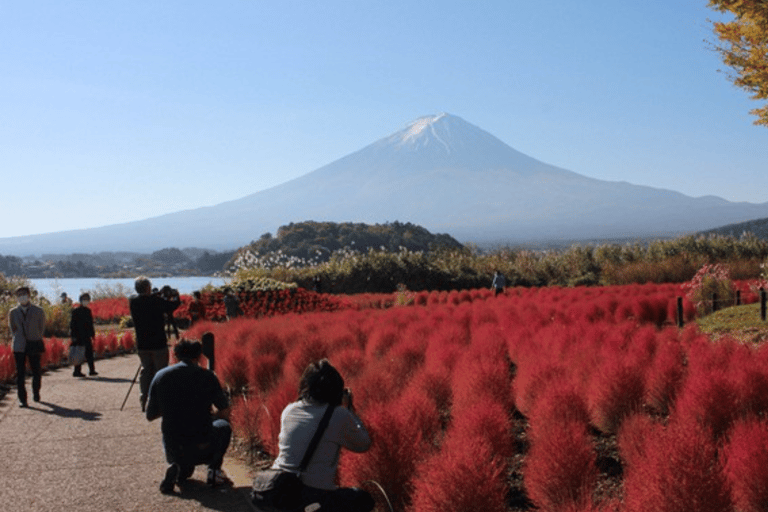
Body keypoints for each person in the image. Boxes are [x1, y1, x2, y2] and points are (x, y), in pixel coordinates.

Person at [269, 359, 374, 512]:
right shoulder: (339, 415)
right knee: (363, 499)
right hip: (311, 496)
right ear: (337, 389)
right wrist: (349, 409)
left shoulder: (289, 410)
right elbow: (364, 444)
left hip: (278, 490)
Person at [146, 339, 232, 494]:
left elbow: (150, 415)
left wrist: (171, 409)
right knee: (223, 426)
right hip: (202, 440)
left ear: (175, 355)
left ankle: (175, 465)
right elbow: (224, 410)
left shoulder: (161, 376)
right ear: (199, 356)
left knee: (184, 474)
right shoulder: (207, 376)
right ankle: (214, 471)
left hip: (175, 442)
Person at [129, 276, 180, 412]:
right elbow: (173, 305)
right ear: (148, 288)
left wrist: (157, 294)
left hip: (142, 344)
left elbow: (145, 299)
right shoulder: (157, 301)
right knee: (161, 372)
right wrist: (176, 295)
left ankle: (143, 399)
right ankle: (160, 401)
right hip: (158, 343)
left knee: (146, 371)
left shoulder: (133, 302)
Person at [8, 286, 46, 407]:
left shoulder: (38, 310)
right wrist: (19, 338)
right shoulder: (13, 312)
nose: (22, 297)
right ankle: (22, 399)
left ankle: (36, 392)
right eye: (19, 295)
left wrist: (35, 336)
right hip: (19, 346)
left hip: (34, 343)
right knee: (20, 373)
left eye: (24, 294)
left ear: (29, 295)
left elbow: (42, 327)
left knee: (36, 371)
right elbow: (12, 329)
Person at [70, 292, 97, 377]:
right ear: (80, 300)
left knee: (89, 353)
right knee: (79, 353)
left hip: (87, 335)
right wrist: (73, 336)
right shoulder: (76, 311)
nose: (86, 301)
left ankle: (92, 370)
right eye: (84, 299)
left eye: (87, 299)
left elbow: (90, 324)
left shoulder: (88, 311)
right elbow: (72, 325)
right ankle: (76, 371)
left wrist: (92, 334)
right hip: (78, 335)